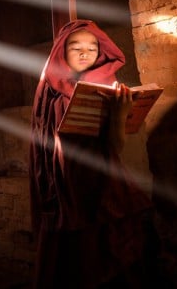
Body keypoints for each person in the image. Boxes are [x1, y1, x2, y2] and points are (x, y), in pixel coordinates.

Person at [29, 19, 159, 288]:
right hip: (67, 190)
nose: (85, 52)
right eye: (75, 47)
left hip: (101, 185)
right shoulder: (52, 92)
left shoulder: (106, 87)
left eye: (92, 47)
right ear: (61, 52)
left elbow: (113, 148)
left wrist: (120, 114)